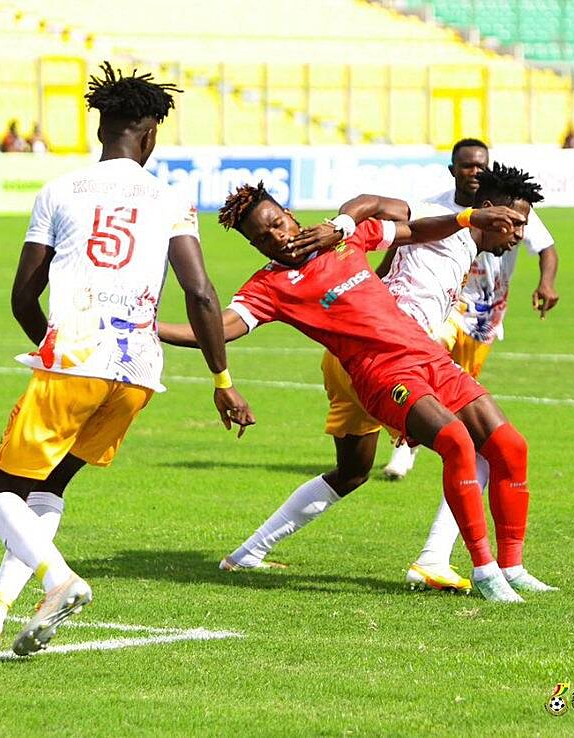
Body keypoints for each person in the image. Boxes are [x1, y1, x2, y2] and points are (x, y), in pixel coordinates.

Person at [0, 62, 253, 655]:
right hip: (138, 372)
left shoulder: (60, 190)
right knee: (46, 489)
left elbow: (24, 294)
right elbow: (200, 294)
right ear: (150, 134)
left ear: (102, 129)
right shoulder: (171, 198)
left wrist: (51, 341)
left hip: (74, 359)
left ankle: (59, 580)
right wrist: (222, 379)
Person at [159, 179, 552, 603]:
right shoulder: (269, 287)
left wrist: (467, 218)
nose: (276, 237)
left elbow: (414, 231)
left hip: (428, 355)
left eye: (276, 224)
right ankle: (484, 571)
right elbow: (218, 328)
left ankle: (513, 566)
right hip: (381, 374)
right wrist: (152, 326)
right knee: (456, 441)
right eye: (261, 238)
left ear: (289, 215)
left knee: (510, 446)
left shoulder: (341, 239)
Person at [381, 138, 558, 481]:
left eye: (481, 165)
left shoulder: (513, 209)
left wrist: (546, 283)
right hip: (444, 306)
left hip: (485, 313)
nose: (475, 171)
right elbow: (404, 243)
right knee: (421, 367)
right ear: (453, 170)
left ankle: (452, 447)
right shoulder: (435, 207)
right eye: (467, 165)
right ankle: (405, 445)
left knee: (458, 386)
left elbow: (547, 249)